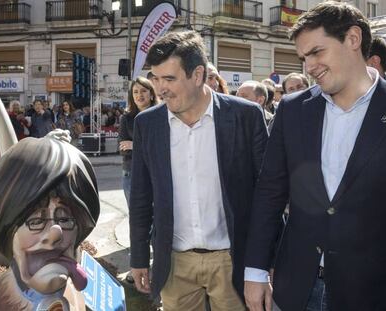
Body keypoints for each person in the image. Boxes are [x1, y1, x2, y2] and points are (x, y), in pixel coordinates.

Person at [244, 2, 384, 310]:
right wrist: (255, 271)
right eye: (304, 57)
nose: (309, 66)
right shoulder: (293, 109)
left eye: (317, 52)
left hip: (370, 291)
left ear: (353, 39)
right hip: (296, 286)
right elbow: (270, 192)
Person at [129, 31, 268, 310]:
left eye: (169, 78)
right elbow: (141, 197)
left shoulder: (245, 116)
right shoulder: (147, 124)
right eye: (155, 78)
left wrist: (265, 264)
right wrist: (139, 258)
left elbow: (267, 196)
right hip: (175, 263)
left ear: (198, 74)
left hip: (232, 259)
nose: (160, 89)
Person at [0, 132, 100, 310]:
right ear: (7, 229)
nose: (56, 232)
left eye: (64, 218)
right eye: (36, 220)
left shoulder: (75, 296)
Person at [118, 76, 158, 206]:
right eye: (135, 92)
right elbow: (124, 150)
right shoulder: (126, 118)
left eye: (143, 91)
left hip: (156, 172)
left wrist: (135, 146)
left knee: (158, 215)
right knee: (137, 217)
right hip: (131, 173)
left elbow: (162, 147)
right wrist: (148, 147)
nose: (139, 95)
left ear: (151, 94)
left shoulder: (161, 115)